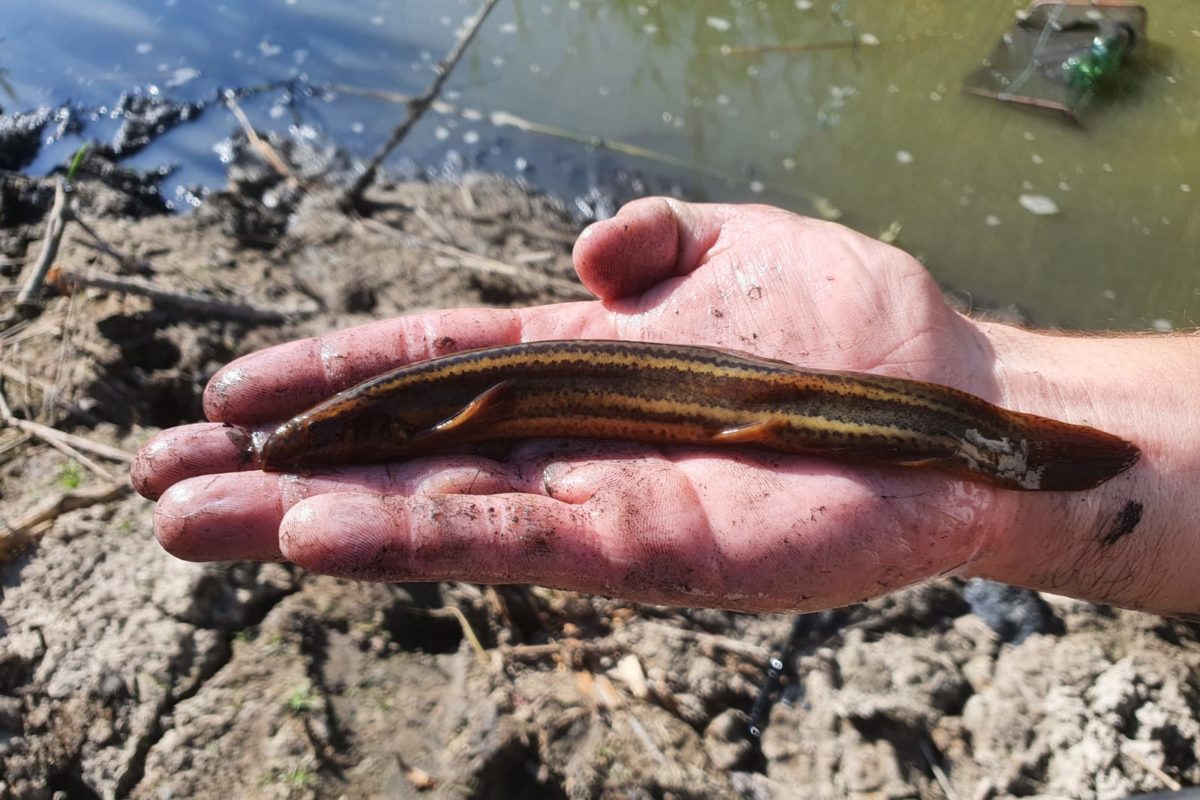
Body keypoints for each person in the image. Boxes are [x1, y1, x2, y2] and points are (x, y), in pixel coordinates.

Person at [131, 198, 1200, 617]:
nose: (308, 445)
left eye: (321, 437)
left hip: (735, 396)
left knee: (944, 434)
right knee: (957, 438)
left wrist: (981, 383)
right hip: (743, 402)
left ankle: (1010, 445)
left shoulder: (407, 411)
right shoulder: (397, 410)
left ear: (360, 429)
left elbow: (472, 410)